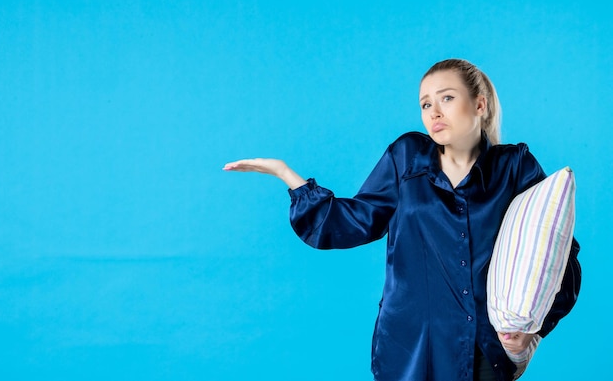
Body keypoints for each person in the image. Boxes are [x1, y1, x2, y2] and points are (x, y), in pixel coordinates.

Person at [223, 59, 581, 381]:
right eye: (425, 104)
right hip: (411, 352)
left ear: (480, 104)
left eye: (447, 98)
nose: (434, 112)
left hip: (484, 353)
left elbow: (555, 253)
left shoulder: (514, 166)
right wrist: (288, 176)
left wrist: (532, 329)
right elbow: (354, 220)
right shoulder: (407, 157)